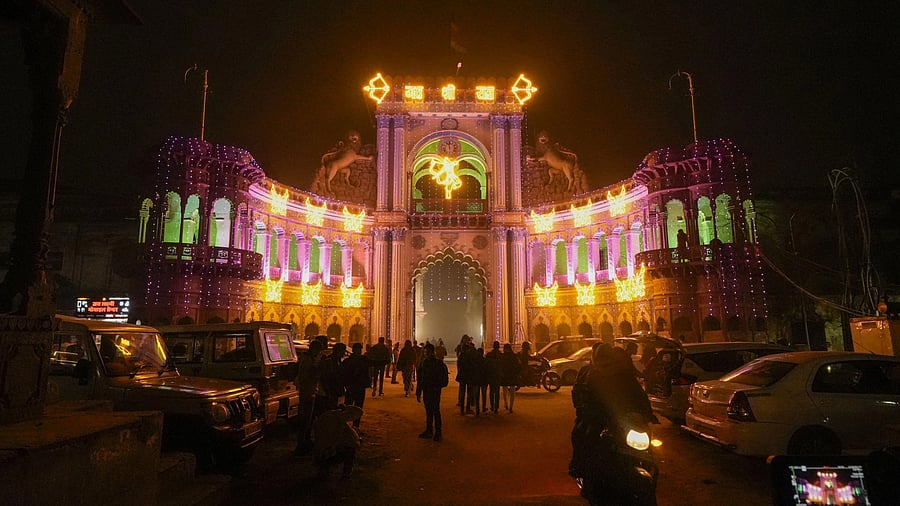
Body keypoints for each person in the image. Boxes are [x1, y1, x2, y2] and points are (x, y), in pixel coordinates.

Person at [569, 343, 655, 482]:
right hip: (597, 418)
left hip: (623, 419)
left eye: (607, 359)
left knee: (648, 445)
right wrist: (584, 410)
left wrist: (647, 413)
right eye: (602, 359)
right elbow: (578, 394)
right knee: (580, 434)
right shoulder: (588, 374)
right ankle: (580, 469)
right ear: (596, 359)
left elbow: (638, 394)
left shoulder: (622, 374)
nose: (605, 363)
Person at [312, 404, 363, 479]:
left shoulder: (324, 417)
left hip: (321, 449)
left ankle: (323, 469)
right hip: (330, 448)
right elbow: (359, 411)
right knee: (350, 448)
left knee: (326, 452)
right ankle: (346, 472)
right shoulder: (340, 420)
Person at [295, 340, 324, 456]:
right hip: (307, 391)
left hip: (309, 390)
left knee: (308, 419)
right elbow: (310, 374)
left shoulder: (308, 358)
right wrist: (319, 367)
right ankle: (301, 444)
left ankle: (305, 442)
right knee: (305, 420)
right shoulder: (307, 360)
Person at [416, 342, 449, 441]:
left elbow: (421, 378)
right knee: (432, 411)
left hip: (431, 389)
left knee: (432, 411)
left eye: (426, 352)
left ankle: (433, 431)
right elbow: (421, 378)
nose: (425, 354)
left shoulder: (428, 363)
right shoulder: (435, 363)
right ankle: (433, 431)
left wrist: (419, 391)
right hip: (432, 390)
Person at [340, 342, 370, 429]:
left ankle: (354, 425)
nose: (359, 351)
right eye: (358, 349)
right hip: (353, 386)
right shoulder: (350, 361)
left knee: (357, 406)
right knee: (350, 406)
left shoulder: (362, 360)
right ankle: (347, 424)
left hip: (357, 386)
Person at [499, 343, 521, 413]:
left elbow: (500, 366)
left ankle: (506, 405)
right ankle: (511, 407)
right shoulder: (514, 356)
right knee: (512, 392)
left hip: (505, 375)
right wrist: (517, 373)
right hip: (512, 375)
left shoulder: (502, 356)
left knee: (505, 391)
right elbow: (518, 365)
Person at [484, 341, 502, 414]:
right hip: (497, 375)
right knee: (497, 391)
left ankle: (492, 406)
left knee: (491, 391)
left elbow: (486, 365)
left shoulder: (489, 355)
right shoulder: (501, 355)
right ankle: (496, 407)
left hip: (491, 375)